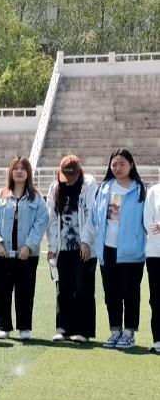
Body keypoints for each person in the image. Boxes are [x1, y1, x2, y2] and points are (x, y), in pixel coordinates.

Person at [0, 156, 49, 341]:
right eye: (16, 168)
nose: (19, 171)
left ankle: (25, 327)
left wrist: (29, 246)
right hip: (2, 254)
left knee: (25, 292)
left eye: (23, 168)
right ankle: (4, 326)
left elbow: (41, 222)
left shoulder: (37, 198)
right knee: (3, 291)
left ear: (28, 173)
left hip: (26, 255)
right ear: (10, 172)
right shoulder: (0, 195)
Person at [92, 149, 146, 350]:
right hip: (108, 250)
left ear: (131, 165)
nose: (117, 168)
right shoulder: (104, 188)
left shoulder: (140, 190)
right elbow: (95, 216)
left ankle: (129, 333)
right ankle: (115, 331)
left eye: (122, 164)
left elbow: (145, 221)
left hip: (132, 252)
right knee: (111, 293)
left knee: (130, 294)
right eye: (114, 164)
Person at [46, 155, 98, 343]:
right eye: (65, 176)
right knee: (63, 288)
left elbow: (92, 215)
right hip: (62, 247)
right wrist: (53, 245)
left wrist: (86, 241)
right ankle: (64, 329)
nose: (68, 180)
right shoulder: (55, 187)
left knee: (83, 288)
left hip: (84, 247)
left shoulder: (89, 186)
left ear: (79, 172)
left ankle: (83, 331)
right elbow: (51, 217)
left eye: (72, 176)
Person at [144, 177, 160, 353]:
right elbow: (148, 221)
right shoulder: (154, 191)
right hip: (155, 253)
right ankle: (158, 340)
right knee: (156, 299)